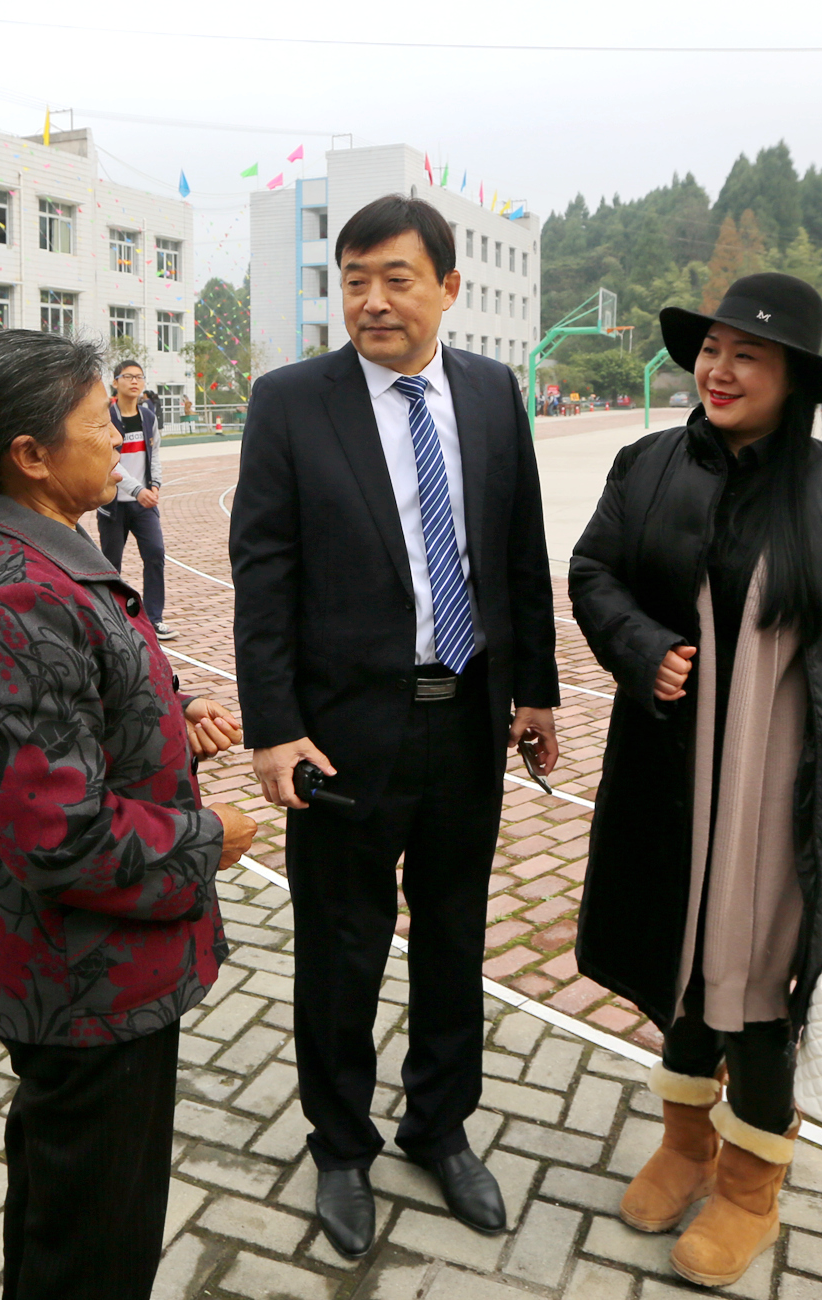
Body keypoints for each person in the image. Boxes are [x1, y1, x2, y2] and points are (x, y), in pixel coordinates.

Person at [230, 194, 560, 1259]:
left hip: (466, 719)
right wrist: (273, 729)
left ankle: (439, 1126)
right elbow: (262, 573)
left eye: (396, 278)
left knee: (454, 937)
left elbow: (519, 549)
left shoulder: (492, 392)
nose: (372, 300)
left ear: (448, 287)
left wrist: (536, 690)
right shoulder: (292, 402)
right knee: (341, 946)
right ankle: (340, 1145)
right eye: (354, 280)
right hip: (342, 734)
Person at [569, 273, 822, 1288]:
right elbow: (592, 573)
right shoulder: (646, 465)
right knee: (679, 968)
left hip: (778, 802)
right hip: (668, 782)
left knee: (759, 994)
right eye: (710, 349)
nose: (717, 370)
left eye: (746, 355)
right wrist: (640, 648)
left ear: (792, 377)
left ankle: (751, 1190)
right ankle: (684, 1146)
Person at [0, 330, 258, 1300]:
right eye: (102, 424)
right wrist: (210, 840)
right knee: (95, 1248)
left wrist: (173, 714)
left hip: (89, 972)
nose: (121, 440)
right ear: (30, 453)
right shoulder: (11, 597)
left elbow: (76, 700)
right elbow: (63, 836)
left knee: (66, 1208)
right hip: (84, 985)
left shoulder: (34, 554)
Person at [97, 360, 178, 640]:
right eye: (128, 376)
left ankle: (154, 619)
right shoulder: (106, 418)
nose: (134, 381)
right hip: (112, 504)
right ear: (115, 382)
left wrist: (154, 485)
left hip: (144, 504)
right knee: (111, 564)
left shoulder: (148, 417)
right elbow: (109, 461)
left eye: (139, 377)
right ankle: (111, 620)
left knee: (155, 555)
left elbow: (154, 454)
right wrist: (137, 490)